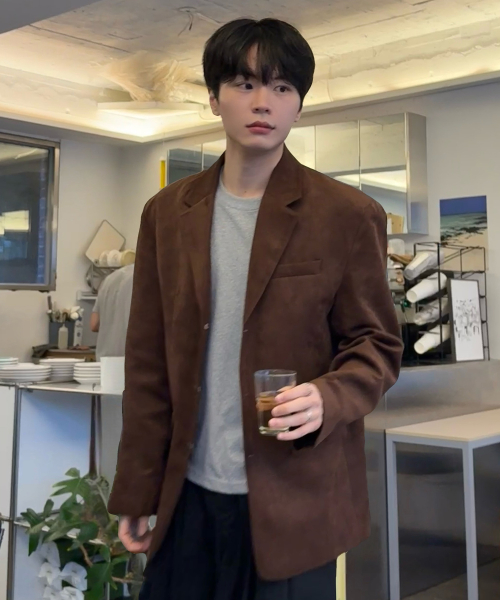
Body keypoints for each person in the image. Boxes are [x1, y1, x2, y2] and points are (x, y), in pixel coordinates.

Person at [108, 17, 403, 600]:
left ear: (299, 105)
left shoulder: (346, 214)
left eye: (282, 87)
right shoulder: (166, 214)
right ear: (214, 98)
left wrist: (328, 396)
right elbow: (147, 364)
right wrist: (137, 489)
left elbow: (377, 345)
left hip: (295, 501)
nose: (263, 102)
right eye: (244, 84)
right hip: (187, 498)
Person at [90, 263, 134, 359]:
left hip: (104, 360)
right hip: (128, 359)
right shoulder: (146, 278)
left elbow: (94, 324)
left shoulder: (109, 279)